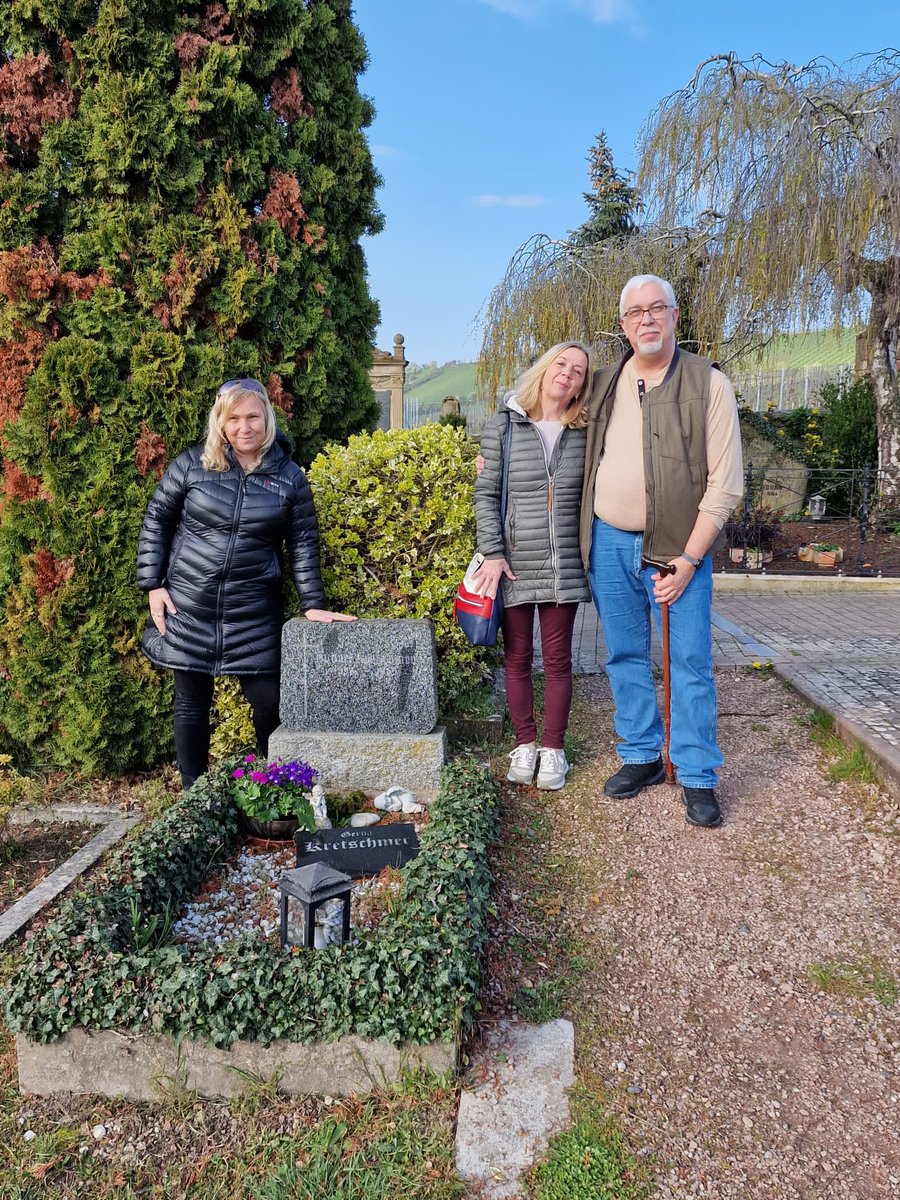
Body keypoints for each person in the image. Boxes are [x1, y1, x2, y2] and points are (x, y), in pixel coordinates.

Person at [580, 275, 743, 828]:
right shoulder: (603, 384)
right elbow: (547, 410)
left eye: (657, 309)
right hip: (609, 542)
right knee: (624, 656)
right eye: (635, 312)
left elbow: (725, 484)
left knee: (690, 662)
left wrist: (690, 559)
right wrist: (497, 451)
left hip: (678, 550)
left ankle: (696, 773)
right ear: (623, 325)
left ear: (675, 316)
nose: (646, 319)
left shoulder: (708, 384)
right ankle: (642, 755)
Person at [137, 378, 354, 789]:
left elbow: (303, 544)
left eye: (253, 416)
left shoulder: (290, 479)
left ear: (267, 419)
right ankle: (193, 795)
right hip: (188, 607)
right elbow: (157, 519)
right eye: (233, 418)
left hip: (253, 614)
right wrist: (153, 584)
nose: (244, 427)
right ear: (220, 422)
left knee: (269, 701)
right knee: (191, 704)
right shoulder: (191, 465)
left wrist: (312, 603)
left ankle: (270, 789)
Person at [473, 341, 594, 790]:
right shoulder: (503, 425)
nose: (567, 374)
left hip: (565, 561)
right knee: (517, 657)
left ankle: (554, 749)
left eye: (578, 371)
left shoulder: (586, 431)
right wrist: (493, 551)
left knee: (559, 660)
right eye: (561, 364)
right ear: (545, 369)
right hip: (514, 563)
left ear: (583, 385)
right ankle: (525, 743)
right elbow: (485, 495)